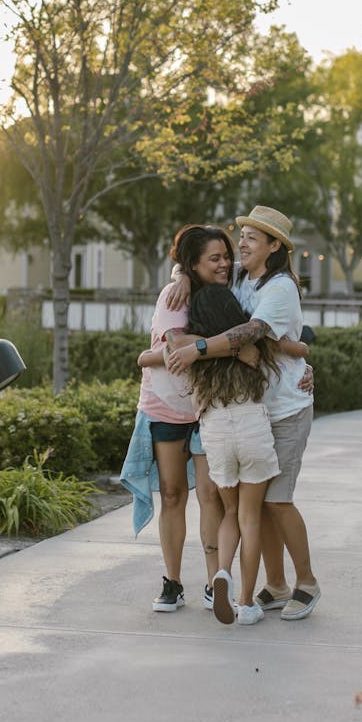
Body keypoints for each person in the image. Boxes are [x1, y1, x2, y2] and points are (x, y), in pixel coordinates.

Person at [165, 205, 320, 620]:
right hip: (258, 408)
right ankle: (276, 584)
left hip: (287, 408)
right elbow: (201, 268)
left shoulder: (280, 287)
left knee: (279, 500)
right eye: (244, 234)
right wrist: (181, 275)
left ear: (274, 247)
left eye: (254, 237)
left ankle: (306, 582)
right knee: (263, 502)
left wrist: (196, 348)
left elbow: (250, 333)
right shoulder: (240, 275)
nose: (243, 243)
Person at [120, 225, 234, 612]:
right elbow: (174, 346)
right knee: (172, 494)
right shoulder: (175, 294)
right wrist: (228, 347)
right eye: (214, 259)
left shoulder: (224, 293)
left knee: (210, 495)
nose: (224, 264)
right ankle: (173, 582)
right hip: (166, 404)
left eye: (225, 256)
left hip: (207, 406)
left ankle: (214, 582)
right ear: (194, 264)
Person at [184, 284, 282, 626]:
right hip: (251, 426)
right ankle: (245, 603)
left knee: (230, 513)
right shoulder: (251, 345)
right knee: (250, 518)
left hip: (217, 432)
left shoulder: (196, 353)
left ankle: (222, 572)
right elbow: (287, 352)